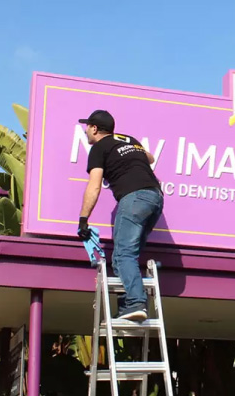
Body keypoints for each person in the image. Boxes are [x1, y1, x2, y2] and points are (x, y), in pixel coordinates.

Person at [76, 109, 164, 322]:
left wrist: (83, 219)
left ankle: (135, 302)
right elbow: (150, 158)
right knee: (126, 256)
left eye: (87, 127)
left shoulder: (99, 148)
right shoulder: (128, 140)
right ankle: (128, 307)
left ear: (95, 128)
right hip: (155, 198)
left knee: (123, 255)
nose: (86, 131)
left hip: (134, 199)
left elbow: (94, 186)